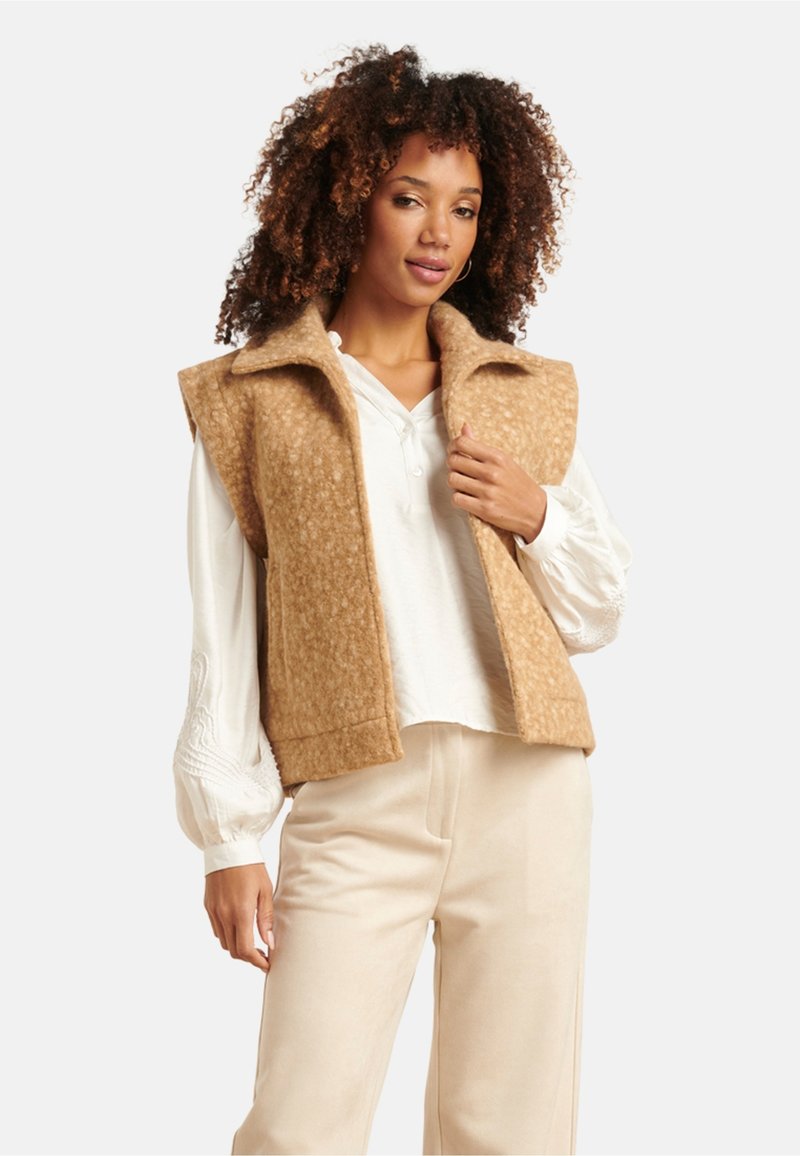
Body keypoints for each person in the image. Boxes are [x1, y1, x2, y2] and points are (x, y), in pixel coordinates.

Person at [172, 43, 632, 1156]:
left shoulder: (519, 392)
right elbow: (223, 632)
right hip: (355, 795)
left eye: (465, 208)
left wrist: (535, 514)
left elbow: (597, 610)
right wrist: (229, 838)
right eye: (408, 198)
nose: (439, 234)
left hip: (528, 786)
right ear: (346, 202)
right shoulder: (254, 400)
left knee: (509, 1130)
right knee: (300, 1125)